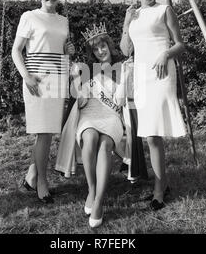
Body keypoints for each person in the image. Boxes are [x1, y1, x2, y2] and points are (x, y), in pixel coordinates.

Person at [55, 23, 146, 228]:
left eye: (103, 46)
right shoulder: (87, 69)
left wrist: (127, 77)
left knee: (105, 145)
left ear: (109, 45)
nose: (100, 51)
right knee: (89, 138)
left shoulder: (123, 67)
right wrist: (76, 81)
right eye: (95, 49)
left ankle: (98, 201)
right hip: (89, 113)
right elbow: (80, 101)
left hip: (112, 115)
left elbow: (122, 101)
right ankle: (93, 190)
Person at [120, 0, 187, 211]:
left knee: (152, 134)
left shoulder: (164, 10)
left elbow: (180, 44)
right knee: (150, 133)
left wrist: (165, 53)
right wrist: (127, 23)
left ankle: (159, 189)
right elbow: (126, 49)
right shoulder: (134, 15)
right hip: (141, 76)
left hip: (161, 73)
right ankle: (163, 182)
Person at [12, 0, 75, 204]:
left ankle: (31, 176)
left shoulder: (63, 20)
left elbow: (61, 51)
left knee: (46, 134)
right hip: (37, 80)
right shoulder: (29, 17)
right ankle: (42, 182)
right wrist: (26, 76)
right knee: (44, 133)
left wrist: (69, 53)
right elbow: (16, 51)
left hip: (58, 80)